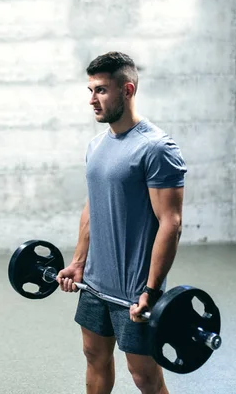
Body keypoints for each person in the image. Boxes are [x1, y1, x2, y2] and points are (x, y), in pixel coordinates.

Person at [56, 52, 187, 394]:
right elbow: (92, 206)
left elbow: (170, 223)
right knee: (93, 355)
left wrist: (152, 290)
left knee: (144, 375)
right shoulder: (97, 146)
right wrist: (79, 262)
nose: (92, 100)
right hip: (96, 282)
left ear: (127, 90)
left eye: (100, 90)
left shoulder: (156, 148)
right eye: (90, 90)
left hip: (134, 290)